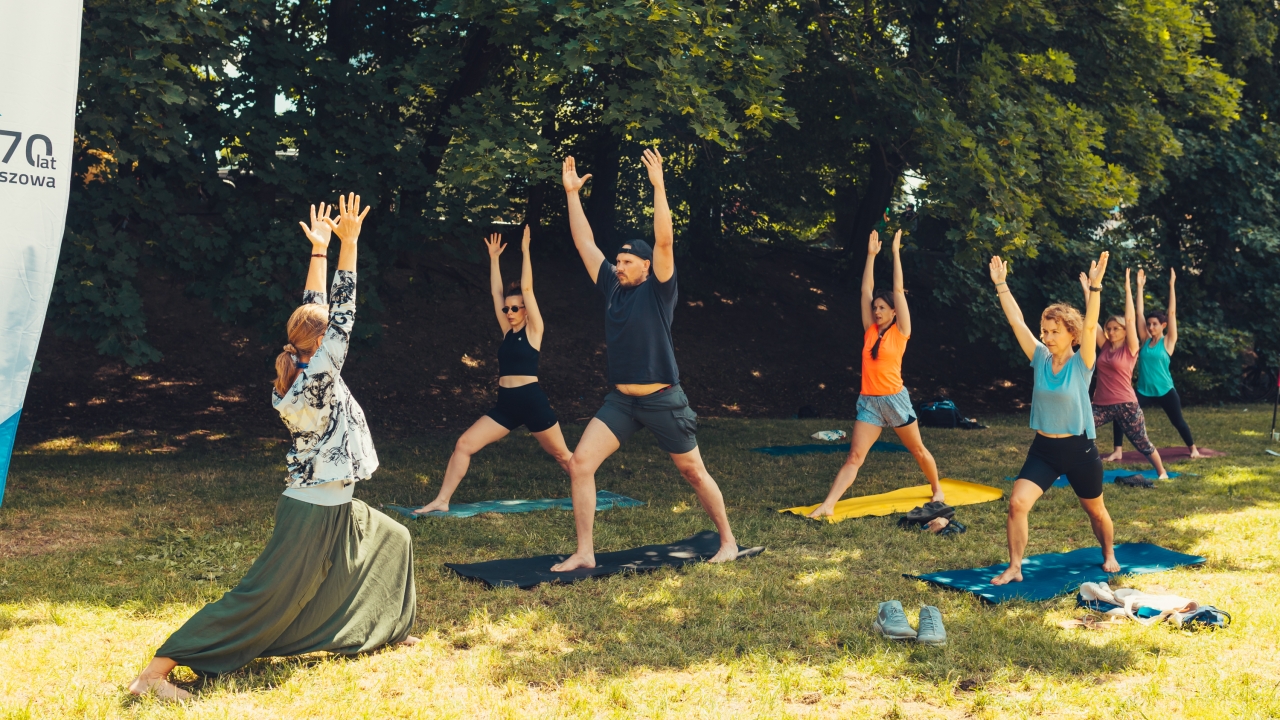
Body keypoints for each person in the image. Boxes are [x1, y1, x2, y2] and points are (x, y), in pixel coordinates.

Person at [127, 196, 417, 701]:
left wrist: (320, 252)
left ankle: (387, 629)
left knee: (393, 539)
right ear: (321, 344)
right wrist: (350, 242)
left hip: (335, 501)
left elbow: (319, 311)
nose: (334, 334)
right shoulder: (319, 375)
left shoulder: (305, 364)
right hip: (313, 509)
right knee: (259, 598)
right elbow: (342, 313)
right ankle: (153, 674)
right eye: (329, 334)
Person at [553, 148, 739, 571]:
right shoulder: (613, 287)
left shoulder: (659, 289)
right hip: (621, 401)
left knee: (693, 471)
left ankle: (727, 541)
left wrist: (659, 187)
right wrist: (572, 196)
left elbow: (665, 240)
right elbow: (584, 242)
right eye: (616, 261)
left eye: (626, 262)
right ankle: (584, 552)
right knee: (580, 463)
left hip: (662, 399)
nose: (617, 267)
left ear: (646, 266)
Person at [411, 226, 572, 515]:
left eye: (515, 309)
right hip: (506, 405)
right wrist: (494, 259)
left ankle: (587, 489)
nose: (509, 312)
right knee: (464, 444)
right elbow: (496, 292)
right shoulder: (507, 332)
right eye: (506, 310)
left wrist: (525, 251)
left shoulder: (535, 331)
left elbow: (526, 288)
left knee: (562, 456)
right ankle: (442, 500)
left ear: (526, 310)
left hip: (532, 402)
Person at [988, 251, 1120, 585]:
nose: (1046, 337)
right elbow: (1017, 322)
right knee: (1017, 503)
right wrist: (1002, 285)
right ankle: (1015, 567)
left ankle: (1109, 553)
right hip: (1044, 450)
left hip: (1079, 450)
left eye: (1053, 332)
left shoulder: (1082, 362)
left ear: (1071, 335)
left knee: (1095, 510)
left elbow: (1091, 323)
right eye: (1044, 331)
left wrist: (1095, 288)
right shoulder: (1039, 357)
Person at [807, 228, 943, 519]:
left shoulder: (901, 331)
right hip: (869, 402)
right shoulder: (870, 331)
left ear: (894, 312)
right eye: (875, 308)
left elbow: (897, 289)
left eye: (882, 308)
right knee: (855, 456)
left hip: (895, 400)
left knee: (918, 450)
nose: (877, 311)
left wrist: (895, 254)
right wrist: (870, 256)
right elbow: (865, 291)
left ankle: (937, 488)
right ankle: (829, 504)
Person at [1078, 268, 1169, 477]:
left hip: (1126, 404)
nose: (1110, 332)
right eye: (1108, 329)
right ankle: (1068, 466)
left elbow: (1130, 319)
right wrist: (1088, 290)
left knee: (1142, 442)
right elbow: (1091, 322)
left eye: (1115, 329)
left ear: (1125, 331)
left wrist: (1128, 287)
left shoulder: (1131, 348)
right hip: (1101, 404)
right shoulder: (1104, 346)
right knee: (1078, 431)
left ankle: (1161, 471)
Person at [1120, 268, 1201, 457]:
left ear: (1163, 326)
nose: (1150, 327)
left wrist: (1172, 285)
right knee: (1123, 413)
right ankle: (1118, 450)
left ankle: (1193, 449)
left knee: (1177, 421)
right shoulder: (1145, 341)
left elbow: (1171, 313)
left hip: (1165, 389)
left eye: (1155, 324)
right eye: (1149, 324)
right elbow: (1138, 313)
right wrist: (1139, 287)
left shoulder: (1168, 342)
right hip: (1143, 390)